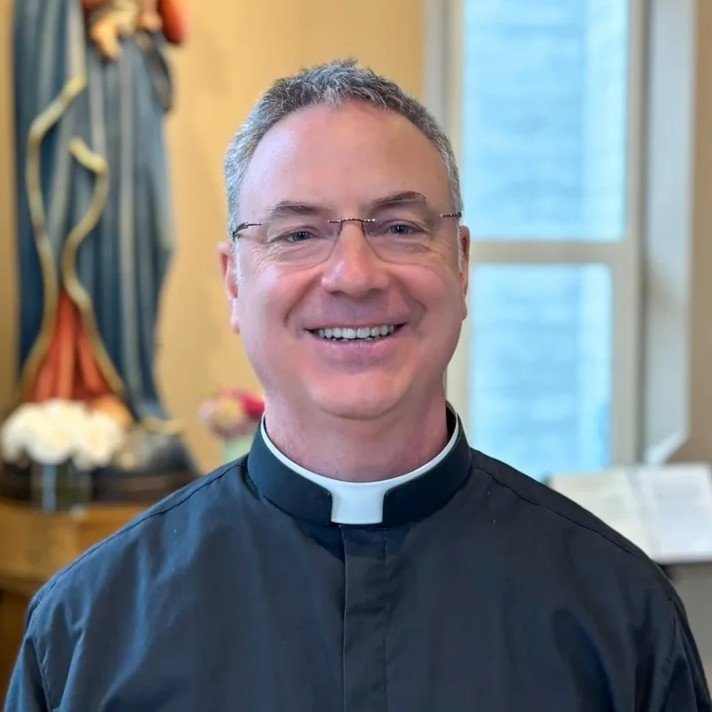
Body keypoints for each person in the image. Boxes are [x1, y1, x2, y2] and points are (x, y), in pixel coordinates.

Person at [6, 60, 711, 711]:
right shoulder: (86, 628)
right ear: (234, 281)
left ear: (461, 264)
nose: (354, 275)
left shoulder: (620, 612)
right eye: (297, 234)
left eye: (399, 227)